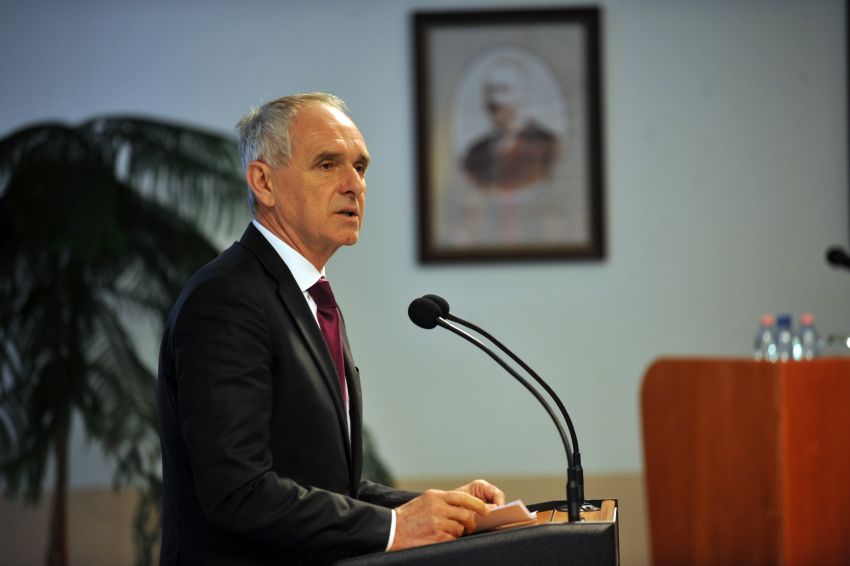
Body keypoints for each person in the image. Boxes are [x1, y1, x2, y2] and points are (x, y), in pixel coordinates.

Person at [157, 92, 505, 565]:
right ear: (263, 182)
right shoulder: (226, 299)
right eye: (327, 165)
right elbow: (238, 491)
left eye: (360, 167)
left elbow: (332, 487)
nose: (353, 185)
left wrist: (441, 510)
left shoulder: (307, 297)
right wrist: (398, 527)